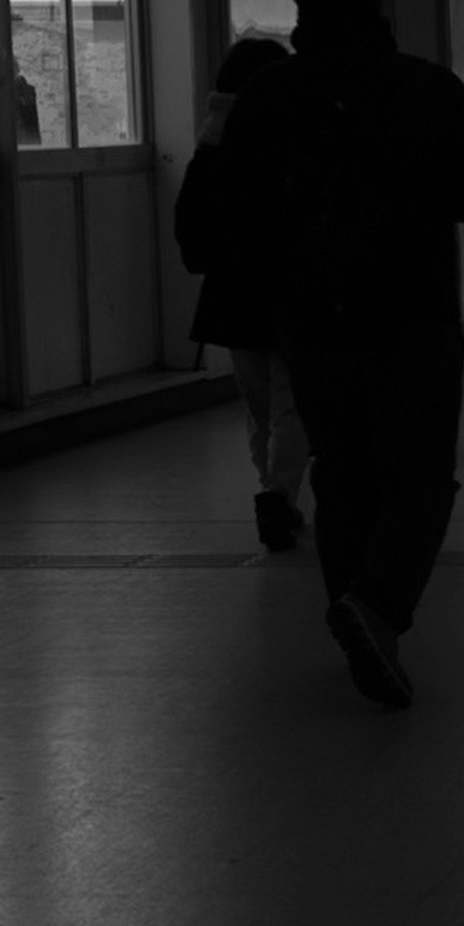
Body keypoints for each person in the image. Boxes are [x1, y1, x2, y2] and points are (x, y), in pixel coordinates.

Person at [215, 0, 464, 709]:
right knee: (417, 475)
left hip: (310, 315)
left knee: (342, 473)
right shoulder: (423, 88)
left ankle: (357, 614)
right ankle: (375, 606)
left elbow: (229, 207)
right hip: (409, 310)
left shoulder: (270, 97)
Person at [174, 35, 307, 549]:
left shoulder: (213, 143)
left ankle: (272, 488)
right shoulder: (295, 136)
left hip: (232, 292)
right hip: (293, 289)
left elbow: (193, 221)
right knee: (292, 401)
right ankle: (280, 493)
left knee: (256, 405)